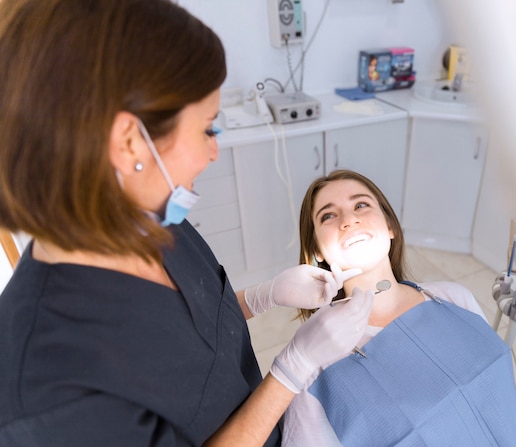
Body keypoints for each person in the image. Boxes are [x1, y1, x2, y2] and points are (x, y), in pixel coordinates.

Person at [0, 1, 374, 446]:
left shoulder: (154, 221)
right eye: (208, 130)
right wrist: (293, 369)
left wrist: (264, 295)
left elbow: (188, 335)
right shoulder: (47, 386)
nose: (213, 152)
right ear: (130, 143)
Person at [281, 169, 516, 446]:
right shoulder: (316, 360)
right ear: (317, 252)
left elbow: (512, 395)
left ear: (390, 227)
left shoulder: (454, 298)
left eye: (361, 204)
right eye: (328, 215)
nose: (349, 220)